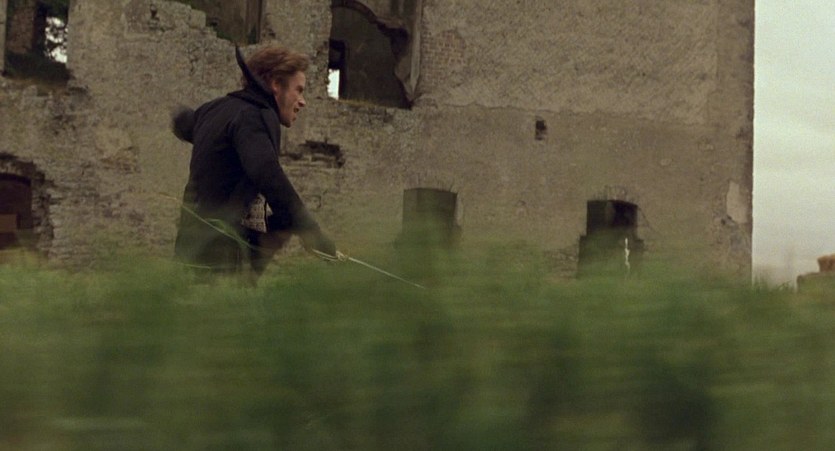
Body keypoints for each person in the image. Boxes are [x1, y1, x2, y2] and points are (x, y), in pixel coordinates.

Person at [171, 45, 337, 279]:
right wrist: (313, 235)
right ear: (276, 84)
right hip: (220, 258)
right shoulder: (255, 116)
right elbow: (267, 175)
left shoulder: (214, 109)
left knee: (283, 220)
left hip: (188, 251)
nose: (302, 102)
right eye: (298, 90)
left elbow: (186, 125)